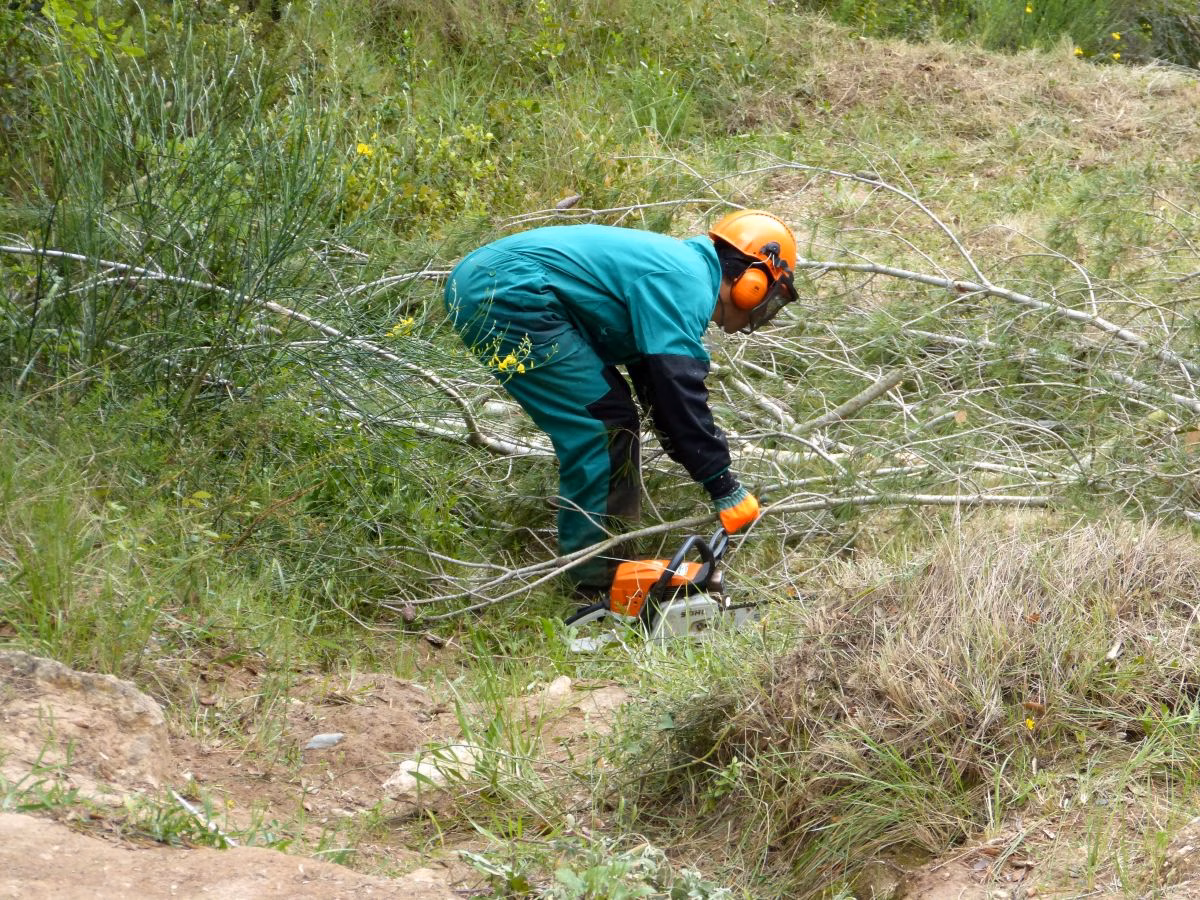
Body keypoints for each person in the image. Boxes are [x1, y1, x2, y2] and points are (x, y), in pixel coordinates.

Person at [443, 209, 799, 598]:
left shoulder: (682, 272)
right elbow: (678, 390)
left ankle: (607, 557)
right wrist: (723, 485)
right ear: (752, 281)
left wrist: (713, 474)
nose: (764, 307)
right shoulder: (688, 282)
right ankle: (594, 578)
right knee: (601, 424)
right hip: (508, 291)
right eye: (771, 295)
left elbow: (659, 397)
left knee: (614, 416)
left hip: (493, 283)